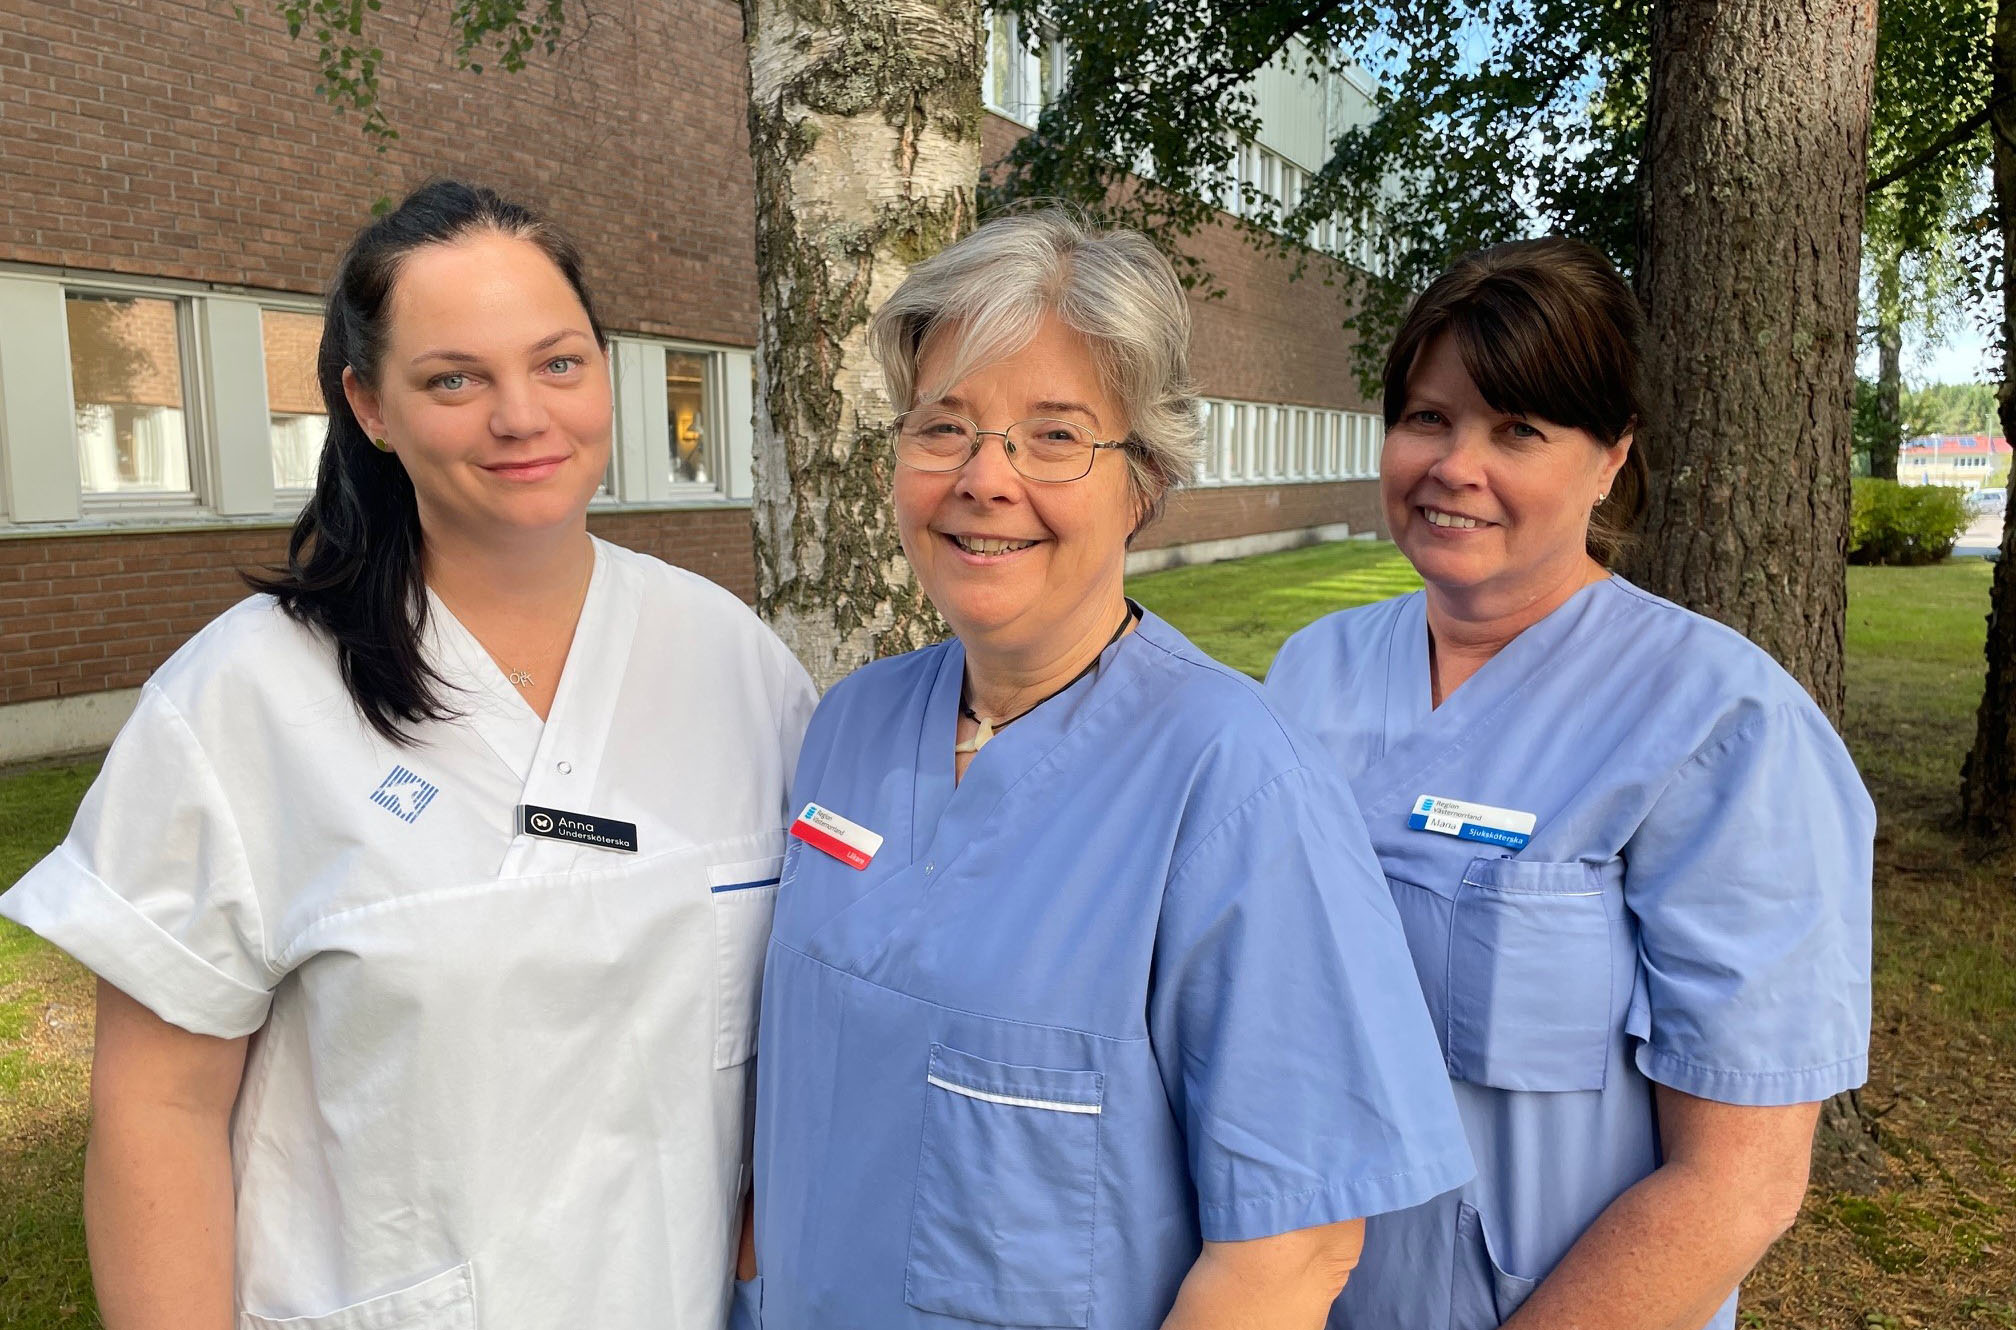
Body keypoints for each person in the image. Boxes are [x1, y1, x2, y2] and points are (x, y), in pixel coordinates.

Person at [0, 180, 816, 1330]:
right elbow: (157, 1113)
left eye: (559, 363)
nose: (522, 416)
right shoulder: (248, 698)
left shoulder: (735, 662)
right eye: (454, 378)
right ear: (369, 405)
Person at [733, 209, 1474, 1330]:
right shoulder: (849, 727)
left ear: (1145, 479)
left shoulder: (1237, 787)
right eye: (945, 427)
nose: (985, 478)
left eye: (1054, 435)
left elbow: (1294, 1250)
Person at [1264, 237, 1873, 1330]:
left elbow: (1739, 1182)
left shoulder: (1722, 725)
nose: (1456, 465)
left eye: (1519, 430)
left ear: (1610, 458)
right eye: (1427, 417)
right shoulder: (1313, 672)